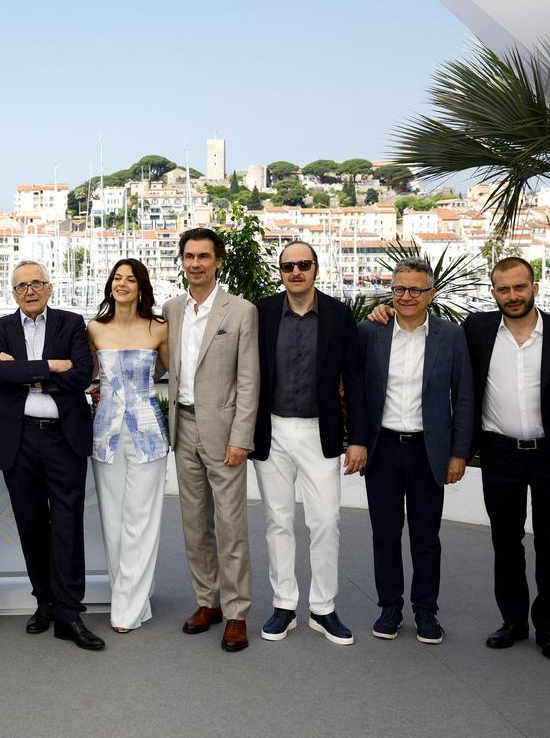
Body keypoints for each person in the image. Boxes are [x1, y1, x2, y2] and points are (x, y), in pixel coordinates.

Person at [372, 257, 550, 661]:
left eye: (519, 288)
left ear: (534, 288)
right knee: (505, 542)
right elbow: (449, 375)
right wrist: (387, 309)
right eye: (503, 289)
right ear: (493, 292)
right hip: (500, 455)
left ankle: (548, 628)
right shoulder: (476, 331)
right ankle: (513, 621)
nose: (512, 296)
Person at [252, 241, 368, 646]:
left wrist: (358, 440)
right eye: (288, 266)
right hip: (273, 431)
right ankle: (284, 605)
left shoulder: (338, 315)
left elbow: (354, 379)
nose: (295, 272)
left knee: (325, 523)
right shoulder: (262, 312)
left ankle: (323, 609)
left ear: (316, 268)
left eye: (303, 264)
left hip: (322, 432)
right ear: (280, 272)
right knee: (278, 522)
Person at [0, 260, 102, 651]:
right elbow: (0, 375)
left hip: (62, 439)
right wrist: (50, 366)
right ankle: (45, 603)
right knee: (31, 525)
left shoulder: (71, 324)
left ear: (50, 288)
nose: (30, 291)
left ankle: (70, 612)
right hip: (19, 441)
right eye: (22, 286)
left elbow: (81, 376)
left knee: (68, 525)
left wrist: (25, 371)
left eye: (37, 284)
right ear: (13, 293)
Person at [356, 257, 474, 645]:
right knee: (385, 535)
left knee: (426, 536)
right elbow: (352, 390)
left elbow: (465, 397)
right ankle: (390, 607)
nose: (406, 297)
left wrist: (459, 453)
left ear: (431, 294)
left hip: (428, 451)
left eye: (415, 290)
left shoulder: (450, 336)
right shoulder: (371, 331)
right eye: (399, 289)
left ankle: (426, 611)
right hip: (383, 449)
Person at [164, 230, 260, 652]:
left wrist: (241, 437)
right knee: (194, 523)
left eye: (204, 256)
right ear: (182, 261)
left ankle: (237, 612)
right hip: (181, 428)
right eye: (189, 256)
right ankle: (208, 601)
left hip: (224, 435)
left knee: (231, 526)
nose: (196, 263)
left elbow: (249, 380)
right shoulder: (171, 310)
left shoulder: (240, 311)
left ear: (218, 261)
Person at [88, 259, 170, 634]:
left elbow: (176, 374)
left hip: (149, 433)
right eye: (117, 278)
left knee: (142, 520)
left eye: (130, 279)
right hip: (106, 433)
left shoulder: (158, 328)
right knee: (114, 523)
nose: (122, 284)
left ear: (142, 287)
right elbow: (87, 377)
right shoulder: (94, 329)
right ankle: (136, 600)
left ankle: (125, 610)